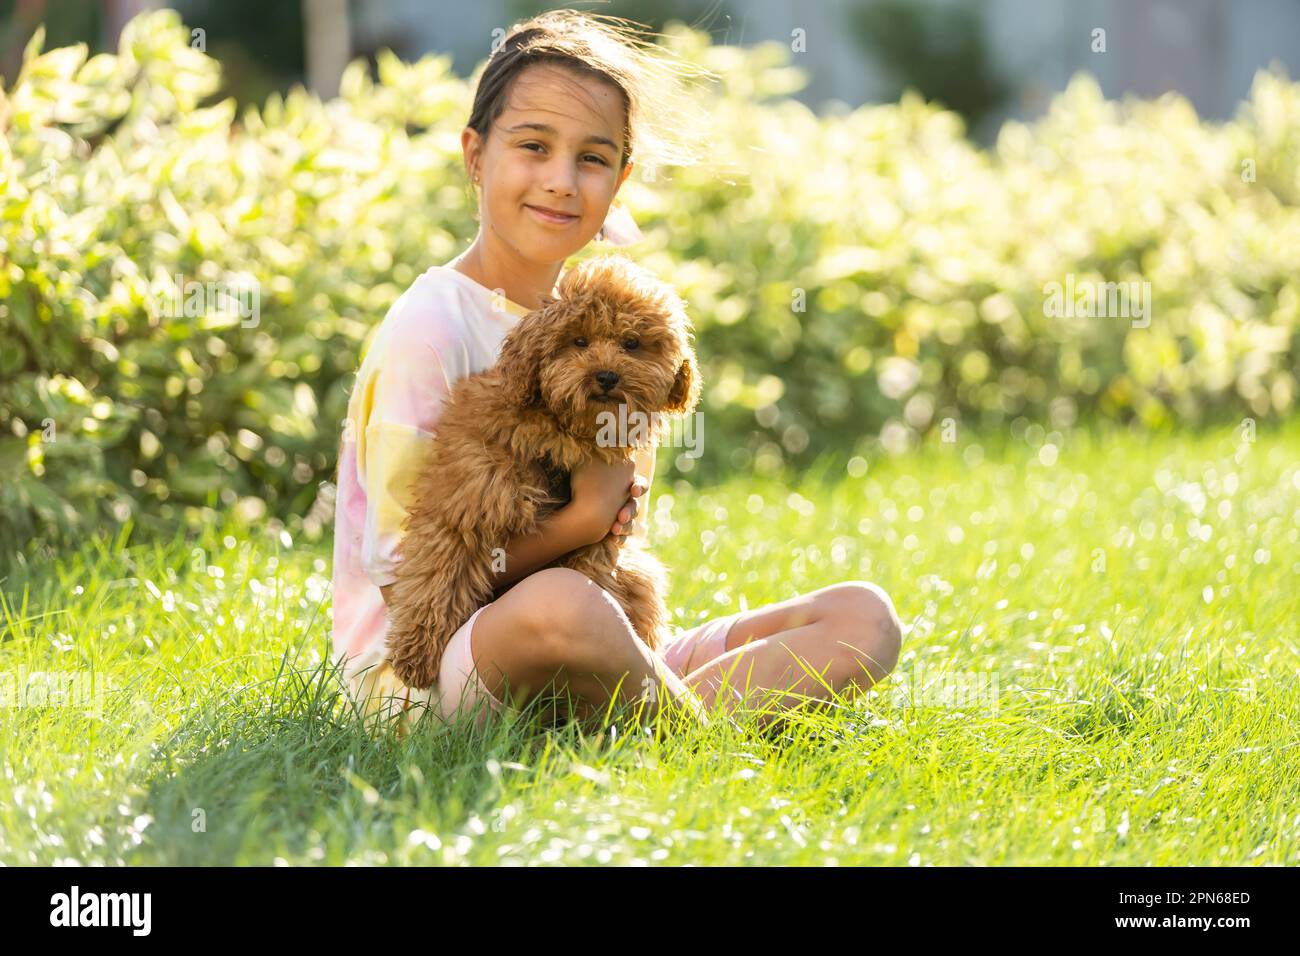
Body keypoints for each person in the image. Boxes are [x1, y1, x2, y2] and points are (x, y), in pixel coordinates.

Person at [331, 10, 903, 738]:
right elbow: (401, 576)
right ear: (475, 155)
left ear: (620, 180)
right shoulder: (430, 328)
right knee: (563, 607)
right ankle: (689, 738)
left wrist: (600, 542)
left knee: (863, 619)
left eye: (593, 159)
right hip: (425, 681)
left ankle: (636, 713)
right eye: (533, 146)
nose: (561, 182)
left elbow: (607, 557)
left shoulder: (618, 340)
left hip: (582, 639)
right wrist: (580, 521)